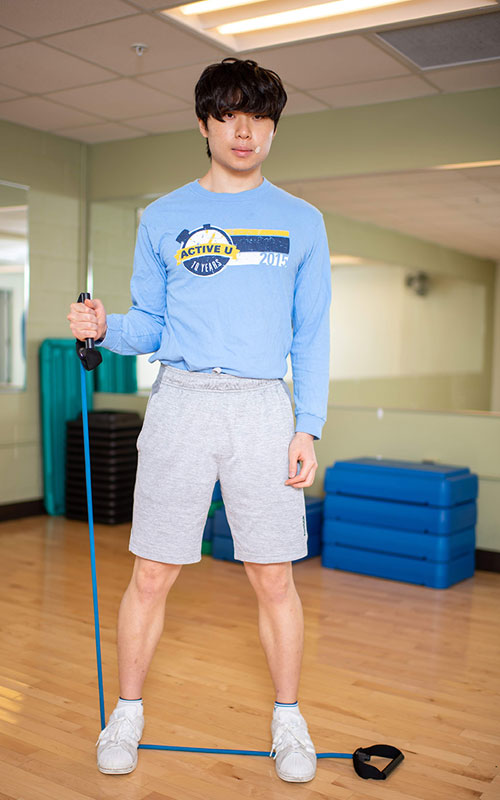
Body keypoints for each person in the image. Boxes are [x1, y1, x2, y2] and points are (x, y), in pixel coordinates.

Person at [67, 56, 331, 784]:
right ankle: (127, 712)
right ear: (205, 124)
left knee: (273, 576)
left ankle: (288, 721)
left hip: (261, 408)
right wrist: (103, 327)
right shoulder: (164, 217)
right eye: (227, 115)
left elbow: (312, 335)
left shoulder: (302, 222)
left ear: (273, 127)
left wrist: (307, 424)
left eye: (258, 117)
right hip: (180, 401)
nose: (243, 130)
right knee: (151, 573)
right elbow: (148, 326)